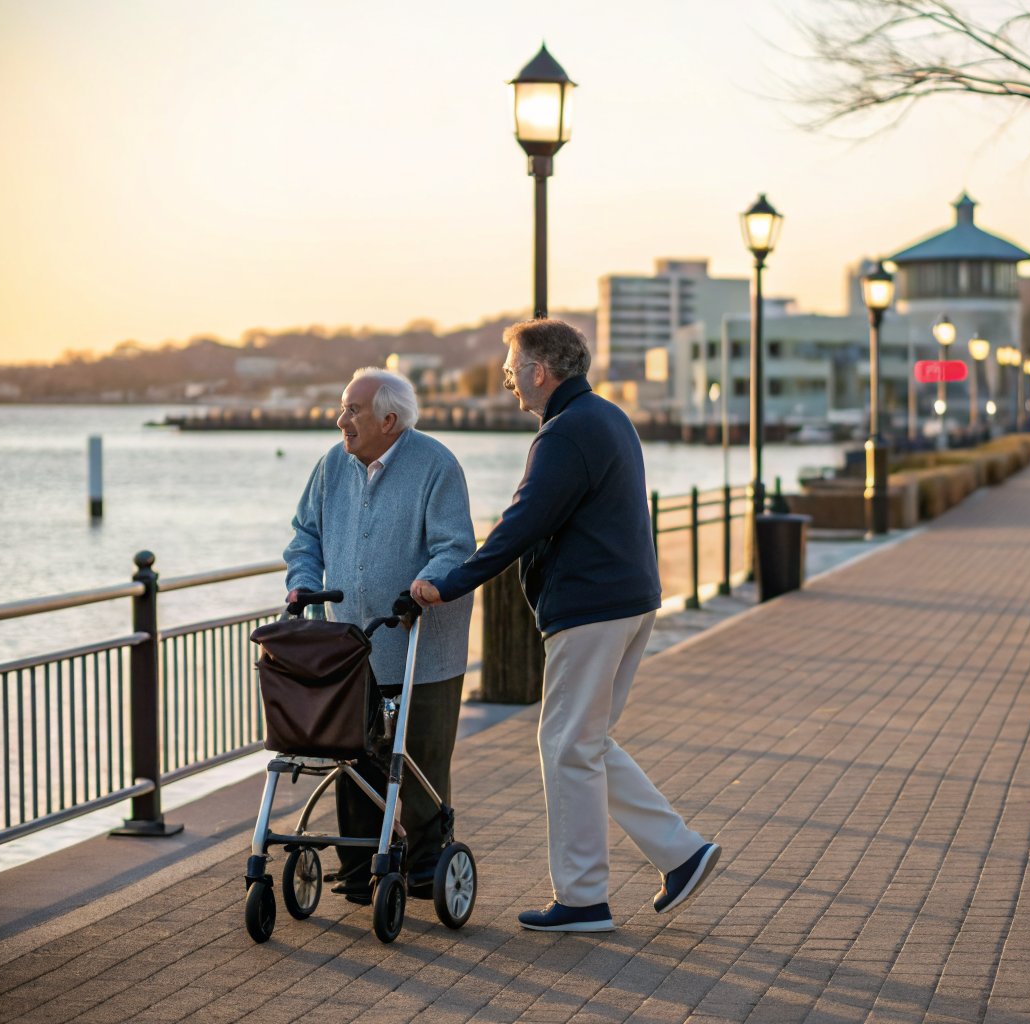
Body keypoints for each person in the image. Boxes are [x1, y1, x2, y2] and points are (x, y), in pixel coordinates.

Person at [417, 319, 721, 933]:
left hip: (591, 610)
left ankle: (584, 898)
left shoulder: (564, 433)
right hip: (630, 602)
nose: (507, 379)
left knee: (565, 746)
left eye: (512, 367)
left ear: (540, 371)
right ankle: (681, 854)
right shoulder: (607, 417)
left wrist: (450, 583)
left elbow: (523, 521)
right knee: (586, 742)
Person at [284, 367, 476, 902]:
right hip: (350, 644)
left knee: (419, 758)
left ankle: (424, 868)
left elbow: (455, 546)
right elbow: (305, 536)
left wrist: (427, 584)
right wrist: (303, 585)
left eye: (353, 410)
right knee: (355, 755)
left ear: (389, 420)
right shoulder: (331, 466)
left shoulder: (435, 465)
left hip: (422, 640)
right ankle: (357, 866)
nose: (340, 419)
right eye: (343, 408)